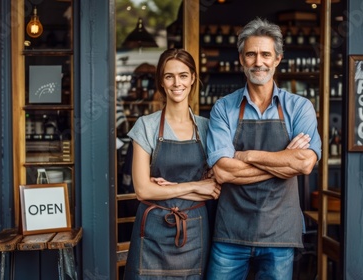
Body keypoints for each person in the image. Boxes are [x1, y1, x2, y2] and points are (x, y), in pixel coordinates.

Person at [205, 17, 322, 279]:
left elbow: (304, 163)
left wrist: (248, 156)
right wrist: (284, 162)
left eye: (266, 54)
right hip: (230, 233)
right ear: (241, 59)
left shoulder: (299, 107)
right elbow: (223, 172)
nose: (259, 61)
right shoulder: (223, 108)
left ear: (277, 59)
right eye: (251, 54)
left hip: (279, 232)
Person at [123, 48, 221, 279]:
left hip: (194, 230)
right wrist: (194, 186)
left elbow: (215, 189)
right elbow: (142, 190)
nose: (177, 83)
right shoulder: (145, 126)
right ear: (161, 81)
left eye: (183, 75)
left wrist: (166, 189)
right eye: (169, 76)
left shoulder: (208, 128)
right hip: (152, 231)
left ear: (193, 78)